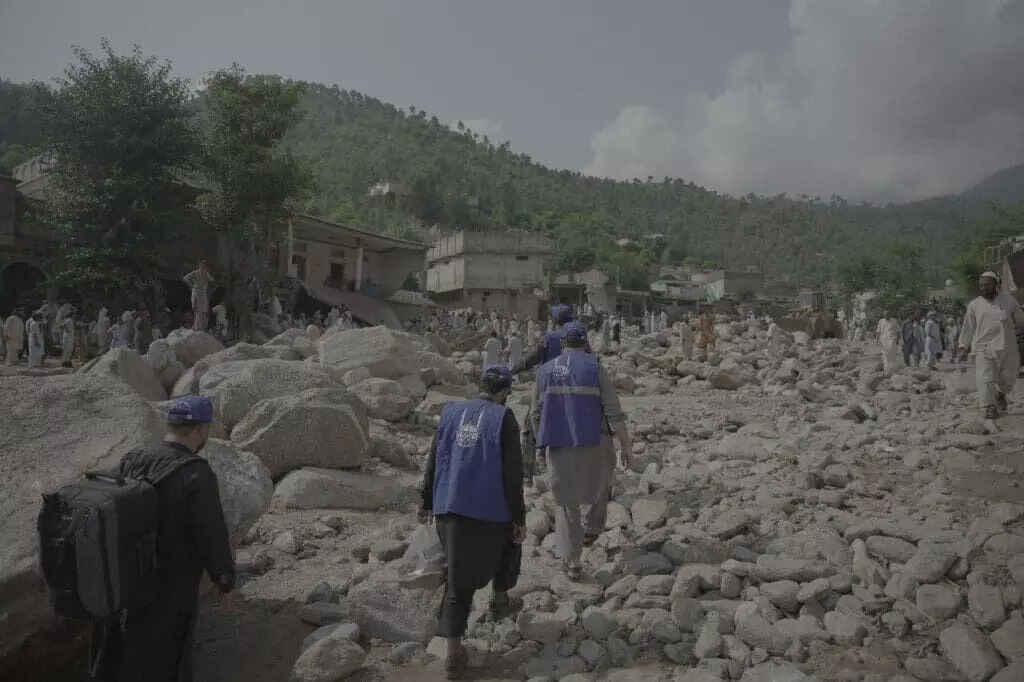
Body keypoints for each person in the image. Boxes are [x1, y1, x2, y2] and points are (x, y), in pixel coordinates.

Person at [92, 396, 235, 682]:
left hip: (126, 581)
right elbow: (211, 533)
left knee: (130, 651)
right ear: (199, 430)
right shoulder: (197, 473)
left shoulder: (134, 460)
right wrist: (224, 579)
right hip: (172, 587)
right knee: (169, 659)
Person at [418, 366, 526, 680]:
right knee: (513, 541)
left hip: (448, 508)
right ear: (505, 392)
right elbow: (513, 475)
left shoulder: (450, 412)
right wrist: (518, 518)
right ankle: (499, 600)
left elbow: (434, 459)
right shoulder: (504, 419)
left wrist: (425, 501)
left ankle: (454, 651)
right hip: (487, 513)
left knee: (456, 579)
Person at [531, 322, 632, 580]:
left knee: (566, 503)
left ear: (562, 344)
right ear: (586, 342)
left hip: (558, 443)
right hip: (595, 441)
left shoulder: (544, 371)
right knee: (600, 487)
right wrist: (626, 445)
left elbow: (535, 415)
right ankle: (593, 528)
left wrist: (540, 446)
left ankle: (573, 561)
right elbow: (613, 411)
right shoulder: (596, 367)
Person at [958, 272, 1024, 419]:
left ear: (996, 284)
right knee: (985, 377)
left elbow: (1020, 320)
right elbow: (968, 327)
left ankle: (1000, 394)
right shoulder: (974, 305)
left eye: (987, 285)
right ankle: (988, 406)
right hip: (983, 348)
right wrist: (963, 346)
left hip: (1008, 347)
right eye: (981, 285)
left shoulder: (1009, 301)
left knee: (1009, 379)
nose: (984, 288)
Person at [183, 260, 214, 331]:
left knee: (200, 310)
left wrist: (207, 275)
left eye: (205, 267)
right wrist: (191, 285)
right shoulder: (196, 272)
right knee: (194, 307)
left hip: (202, 293)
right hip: (196, 290)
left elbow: (212, 280)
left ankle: (197, 326)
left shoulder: (206, 274)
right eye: (202, 266)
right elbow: (185, 278)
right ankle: (197, 325)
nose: (203, 268)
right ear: (200, 266)